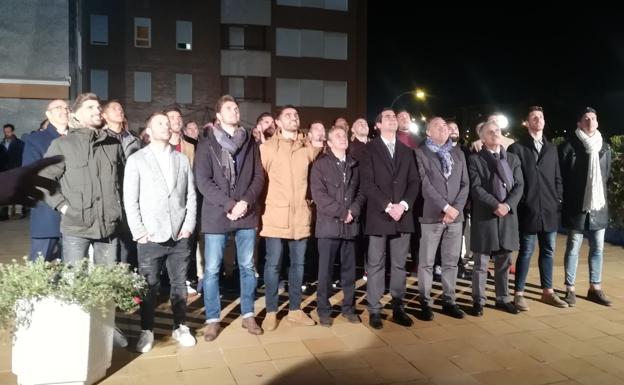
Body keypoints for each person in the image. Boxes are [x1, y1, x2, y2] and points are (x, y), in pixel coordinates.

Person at [124, 112, 197, 352]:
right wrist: (139, 231)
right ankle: (147, 330)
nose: (166, 126)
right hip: (150, 235)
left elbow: (191, 196)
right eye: (160, 123)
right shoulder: (137, 160)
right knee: (149, 285)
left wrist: (188, 226)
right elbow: (130, 199)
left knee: (179, 283)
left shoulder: (181, 160)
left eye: (168, 123)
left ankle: (180, 325)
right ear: (148, 131)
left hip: (179, 235)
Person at [195, 95, 265, 340]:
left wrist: (245, 201)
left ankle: (248, 315)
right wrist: (229, 203)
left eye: (236, 108)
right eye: (229, 108)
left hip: (246, 212)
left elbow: (258, 177)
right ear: (218, 116)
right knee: (212, 269)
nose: (235, 111)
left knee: (247, 266)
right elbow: (203, 180)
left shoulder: (250, 142)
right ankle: (213, 319)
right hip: (217, 212)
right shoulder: (207, 143)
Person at [259, 105, 322, 331]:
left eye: (295, 115)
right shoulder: (267, 148)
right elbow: (261, 181)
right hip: (276, 213)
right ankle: (271, 311)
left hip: (300, 214)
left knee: (298, 265)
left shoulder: (307, 148)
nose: (293, 118)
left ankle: (295, 309)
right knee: (273, 264)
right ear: (277, 122)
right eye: (288, 115)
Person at [360, 108, 420, 329]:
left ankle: (397, 306)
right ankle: (374, 309)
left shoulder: (406, 151)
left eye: (394, 117)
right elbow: (367, 184)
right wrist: (387, 206)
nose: (392, 119)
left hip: (402, 216)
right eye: (387, 117)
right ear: (377, 125)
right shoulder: (369, 149)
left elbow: (414, 182)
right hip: (379, 214)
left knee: (399, 264)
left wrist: (403, 205)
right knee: (375, 264)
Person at [508, 106, 567, 310]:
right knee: (526, 251)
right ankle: (519, 293)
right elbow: (512, 180)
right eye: (533, 117)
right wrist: (523, 200)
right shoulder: (517, 148)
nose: (538, 119)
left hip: (550, 209)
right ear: (527, 122)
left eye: (541, 116)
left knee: (549, 250)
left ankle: (547, 292)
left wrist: (558, 198)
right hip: (529, 209)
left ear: (544, 121)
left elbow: (558, 177)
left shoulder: (551, 148)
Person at [310, 125, 365, 326]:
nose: (343, 138)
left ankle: (349, 308)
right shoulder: (320, 165)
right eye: (337, 136)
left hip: (350, 226)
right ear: (329, 142)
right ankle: (323, 309)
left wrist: (354, 211)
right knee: (325, 271)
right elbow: (319, 195)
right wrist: (342, 212)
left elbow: (361, 192)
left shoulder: (354, 164)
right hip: (328, 227)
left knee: (349, 271)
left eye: (344, 135)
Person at [415, 117, 469, 321]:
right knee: (427, 263)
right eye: (437, 126)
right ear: (428, 132)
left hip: (456, 217)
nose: (443, 129)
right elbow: (425, 184)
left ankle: (449, 300)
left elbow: (465, 184)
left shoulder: (458, 154)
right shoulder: (420, 153)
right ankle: (425, 302)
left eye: (445, 126)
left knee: (451, 262)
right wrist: (445, 207)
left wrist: (454, 209)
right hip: (432, 215)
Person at [468, 120, 523, 316]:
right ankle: (479, 300)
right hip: (485, 216)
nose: (495, 134)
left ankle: (503, 298)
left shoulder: (513, 159)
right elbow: (475, 188)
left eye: (497, 131)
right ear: (482, 138)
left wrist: (507, 205)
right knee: (481, 263)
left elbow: (519, 186)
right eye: (490, 132)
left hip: (507, 216)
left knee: (504, 261)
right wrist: (495, 204)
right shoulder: (475, 160)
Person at [559, 107, 612, 306]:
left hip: (598, 206)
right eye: (586, 119)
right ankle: (570, 288)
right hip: (577, 206)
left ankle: (595, 288)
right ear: (579, 124)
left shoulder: (605, 147)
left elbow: (606, 175)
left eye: (593, 118)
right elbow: (562, 178)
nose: (590, 122)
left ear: (597, 123)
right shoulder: (568, 147)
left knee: (597, 248)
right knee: (573, 247)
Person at [21, 100, 69, 260]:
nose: (64, 110)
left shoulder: (77, 137)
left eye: (66, 107)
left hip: (75, 212)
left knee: (72, 267)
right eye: (58, 108)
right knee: (39, 265)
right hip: (48, 212)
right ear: (48, 114)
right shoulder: (37, 140)